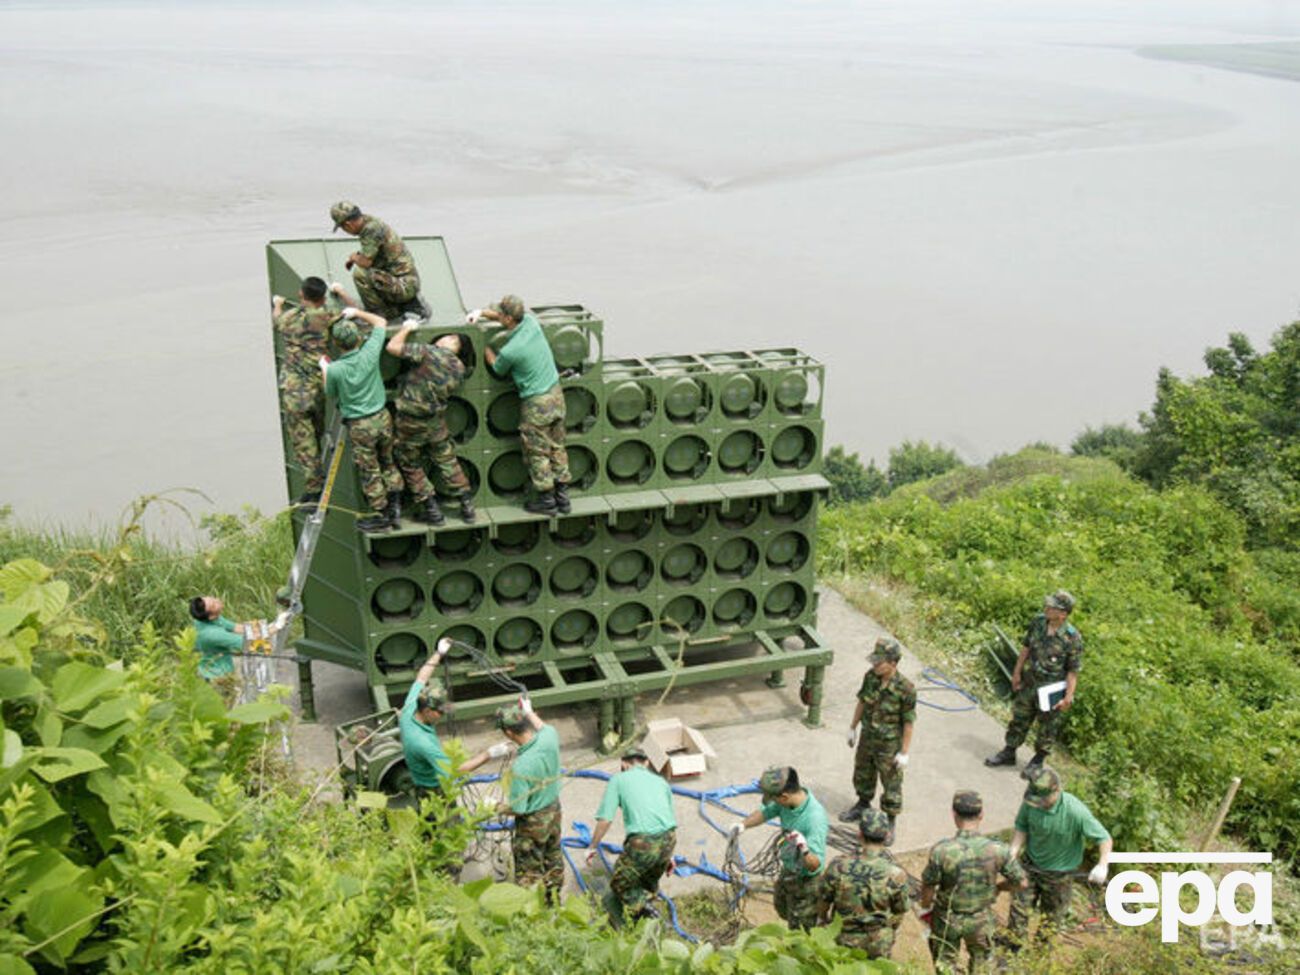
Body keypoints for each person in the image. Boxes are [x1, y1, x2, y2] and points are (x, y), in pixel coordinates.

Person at [470, 296, 571, 516]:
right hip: (556, 396)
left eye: (500, 314)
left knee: (537, 452)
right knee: (557, 446)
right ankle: (563, 498)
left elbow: (497, 368)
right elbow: (501, 316)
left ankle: (547, 500)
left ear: (507, 318)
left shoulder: (510, 350)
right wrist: (481, 312)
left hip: (536, 404)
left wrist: (485, 348)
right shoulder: (531, 323)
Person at [460, 697, 564, 901]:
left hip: (532, 822)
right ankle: (554, 897)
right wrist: (528, 710)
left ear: (508, 733)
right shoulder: (550, 736)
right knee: (553, 856)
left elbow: (519, 808)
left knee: (529, 870)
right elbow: (541, 725)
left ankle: (531, 908)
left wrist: (494, 806)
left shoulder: (522, 766)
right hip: (554, 811)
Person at [920, 790, 1027, 974]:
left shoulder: (942, 850)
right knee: (982, 965)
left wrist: (926, 905)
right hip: (981, 920)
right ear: (981, 815)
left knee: (945, 964)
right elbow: (1021, 883)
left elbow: (929, 886)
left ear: (954, 814)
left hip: (947, 919)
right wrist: (999, 887)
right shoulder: (998, 850)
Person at [1005, 766, 1111, 948]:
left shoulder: (1075, 811)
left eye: (1044, 799)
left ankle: (1039, 957)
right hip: (1030, 866)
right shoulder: (1032, 803)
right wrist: (1013, 851)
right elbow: (1022, 826)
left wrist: (1103, 864)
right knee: (1018, 911)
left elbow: (1104, 838)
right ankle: (1012, 951)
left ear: (1057, 790)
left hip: (1059, 876)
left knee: (1051, 920)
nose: (1039, 803)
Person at [320, 308, 404, 532]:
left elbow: (330, 392)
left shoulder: (336, 369)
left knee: (370, 470)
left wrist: (324, 369)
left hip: (360, 426)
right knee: (387, 460)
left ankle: (383, 514)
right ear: (358, 338)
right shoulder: (370, 352)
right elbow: (381, 321)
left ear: (337, 344)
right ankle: (396, 506)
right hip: (383, 418)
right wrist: (356, 311)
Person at [385, 322, 475, 525]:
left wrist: (406, 328)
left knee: (409, 462)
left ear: (451, 341)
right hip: (435, 422)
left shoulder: (429, 352)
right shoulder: (460, 368)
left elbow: (392, 347)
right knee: (447, 460)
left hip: (410, 421)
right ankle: (467, 505)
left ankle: (431, 509)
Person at [985, 591, 1083, 775]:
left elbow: (1073, 670)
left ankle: (1038, 761)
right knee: (1020, 717)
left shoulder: (1072, 638)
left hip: (1051, 688)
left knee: (1047, 727)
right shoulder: (1038, 622)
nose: (1047, 608)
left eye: (1052, 607)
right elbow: (1026, 648)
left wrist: (1068, 697)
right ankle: (1009, 751)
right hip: (1031, 681)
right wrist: (1017, 673)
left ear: (1063, 614)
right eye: (1048, 605)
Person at [585, 748, 677, 926]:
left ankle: (646, 912)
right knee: (648, 878)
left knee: (620, 884)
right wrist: (668, 855)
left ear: (624, 764)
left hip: (643, 841)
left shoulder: (618, 779)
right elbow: (667, 817)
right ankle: (647, 902)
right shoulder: (660, 782)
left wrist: (592, 846)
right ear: (647, 762)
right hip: (669, 838)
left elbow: (605, 819)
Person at [729, 765, 828, 931]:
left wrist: (804, 849)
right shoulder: (786, 802)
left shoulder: (814, 819)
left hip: (806, 880)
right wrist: (742, 825)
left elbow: (815, 865)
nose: (773, 802)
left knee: (801, 927)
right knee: (782, 906)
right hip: (789, 868)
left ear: (784, 796)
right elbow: (765, 812)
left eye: (774, 798)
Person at [840, 637, 915, 845]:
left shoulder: (906, 688)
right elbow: (863, 701)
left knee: (891, 782)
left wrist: (904, 752)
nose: (875, 665)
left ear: (893, 663)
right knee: (863, 771)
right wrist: (853, 727)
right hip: (868, 737)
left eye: (879, 662)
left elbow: (908, 722)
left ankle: (890, 821)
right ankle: (863, 804)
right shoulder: (871, 678)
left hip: (889, 744)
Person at [271, 276, 335, 505]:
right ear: (323, 297)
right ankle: (318, 472)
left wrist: (278, 304)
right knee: (316, 433)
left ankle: (314, 489)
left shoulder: (289, 319)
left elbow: (276, 321)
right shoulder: (326, 316)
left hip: (294, 391)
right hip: (317, 388)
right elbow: (350, 313)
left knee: (303, 442)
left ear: (301, 295)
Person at [818, 808, 911, 958]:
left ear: (859, 835)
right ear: (887, 836)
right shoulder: (896, 875)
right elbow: (900, 911)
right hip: (878, 943)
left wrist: (822, 922)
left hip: (842, 940)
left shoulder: (838, 866)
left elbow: (823, 901)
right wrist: (888, 931)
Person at [329, 201, 426, 320]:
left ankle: (378, 314)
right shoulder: (369, 222)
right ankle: (398, 307)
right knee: (368, 270)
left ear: (348, 224)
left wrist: (354, 257)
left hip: (404, 286)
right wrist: (357, 257)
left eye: (343, 228)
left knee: (360, 274)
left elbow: (366, 263)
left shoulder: (370, 230)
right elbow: (373, 252)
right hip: (405, 281)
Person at [399, 644, 453, 804]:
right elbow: (452, 771)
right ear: (427, 711)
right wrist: (488, 755)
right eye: (441, 711)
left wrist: (439, 653)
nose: (443, 714)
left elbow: (422, 677)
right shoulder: (424, 743)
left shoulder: (410, 708)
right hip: (432, 790)